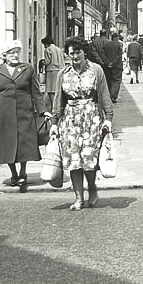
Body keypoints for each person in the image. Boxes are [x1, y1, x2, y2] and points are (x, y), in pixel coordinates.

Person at [49, 36, 113, 211]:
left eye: (78, 52)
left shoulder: (96, 70)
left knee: (89, 158)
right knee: (73, 159)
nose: (75, 55)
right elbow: (57, 99)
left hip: (91, 119)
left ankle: (92, 189)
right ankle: (78, 198)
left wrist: (108, 118)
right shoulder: (63, 73)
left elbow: (105, 95)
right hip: (69, 120)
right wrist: (54, 122)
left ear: (85, 53)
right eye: (72, 53)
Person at [0, 39, 51, 193]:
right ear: (4, 55)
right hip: (4, 113)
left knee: (24, 142)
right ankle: (13, 173)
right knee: (7, 144)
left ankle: (23, 171)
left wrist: (43, 110)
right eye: (12, 53)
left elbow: (36, 92)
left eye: (17, 52)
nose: (15, 55)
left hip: (24, 111)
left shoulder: (27, 69)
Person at [41, 35, 65, 107]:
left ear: (46, 43)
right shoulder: (59, 49)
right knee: (57, 89)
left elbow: (47, 61)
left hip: (51, 71)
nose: (44, 46)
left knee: (51, 90)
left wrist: (43, 62)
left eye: (44, 44)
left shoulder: (48, 49)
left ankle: (53, 106)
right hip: (60, 70)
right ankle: (58, 105)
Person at [102, 30, 124, 102]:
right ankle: (113, 96)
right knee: (116, 81)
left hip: (107, 66)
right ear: (117, 37)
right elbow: (119, 54)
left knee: (109, 80)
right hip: (117, 66)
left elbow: (103, 55)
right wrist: (113, 63)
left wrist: (108, 62)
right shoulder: (119, 45)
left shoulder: (106, 45)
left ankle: (109, 95)